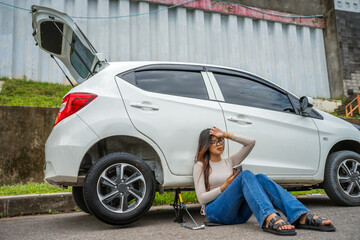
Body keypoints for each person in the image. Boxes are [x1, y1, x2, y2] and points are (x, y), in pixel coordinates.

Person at [193, 126, 335, 236]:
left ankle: (300, 215)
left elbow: (251, 143)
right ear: (206, 145)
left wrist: (227, 134)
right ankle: (269, 217)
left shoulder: (229, 161)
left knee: (259, 178)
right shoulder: (200, 165)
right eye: (213, 142)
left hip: (239, 215)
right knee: (245, 175)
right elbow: (201, 199)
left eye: (220, 140)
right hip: (215, 212)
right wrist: (224, 187)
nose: (219, 144)